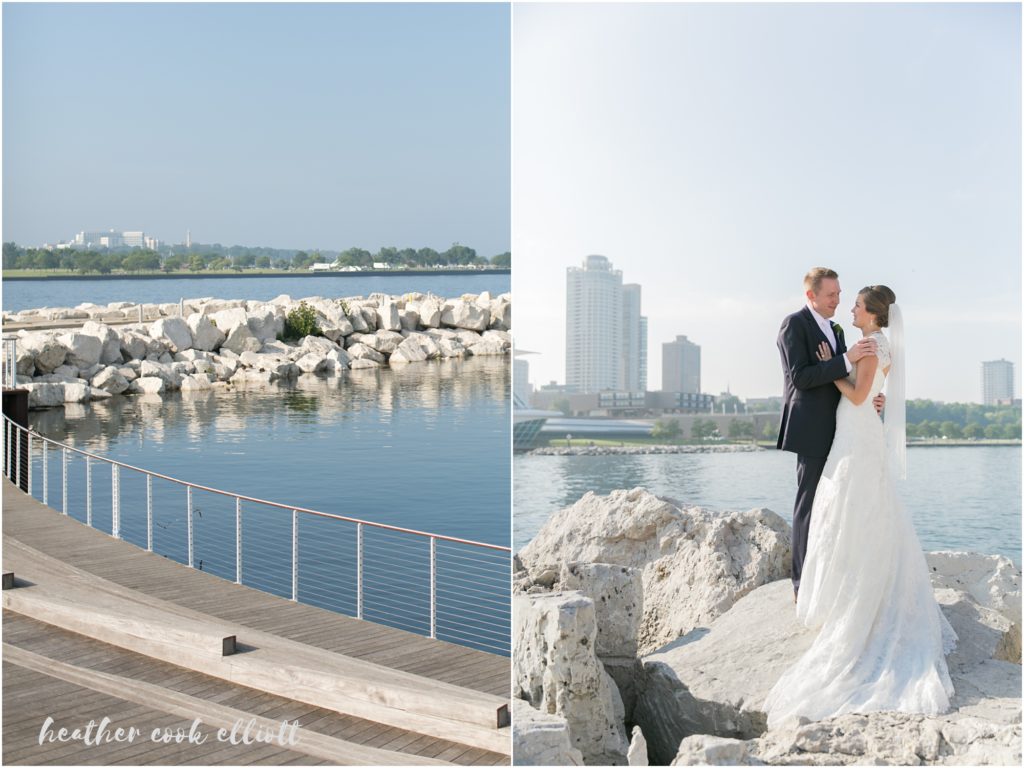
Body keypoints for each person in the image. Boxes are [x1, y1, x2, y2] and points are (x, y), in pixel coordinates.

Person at [764, 285, 956, 727]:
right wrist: (849, 369)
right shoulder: (872, 344)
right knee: (853, 509)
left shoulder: (868, 345)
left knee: (851, 509)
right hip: (855, 432)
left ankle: (851, 593)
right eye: (840, 299)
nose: (847, 306)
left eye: (854, 304)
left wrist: (833, 366)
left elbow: (855, 394)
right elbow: (868, 391)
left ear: (871, 314)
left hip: (856, 432)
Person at [775, 268, 881, 601]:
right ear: (812, 296)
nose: (838, 300)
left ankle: (831, 578)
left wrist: (871, 397)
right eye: (831, 295)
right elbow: (801, 378)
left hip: (840, 430)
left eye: (839, 293)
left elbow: (848, 380)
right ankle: (801, 586)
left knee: (833, 506)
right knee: (809, 506)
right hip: (810, 430)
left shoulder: (835, 329)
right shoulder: (795, 324)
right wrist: (844, 359)